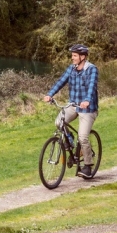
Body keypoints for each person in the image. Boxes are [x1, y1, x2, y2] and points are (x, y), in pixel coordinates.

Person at [43, 44, 99, 178]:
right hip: (73, 105)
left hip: (88, 108)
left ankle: (87, 166)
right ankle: (70, 142)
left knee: (83, 137)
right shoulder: (71, 69)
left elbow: (91, 87)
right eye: (72, 55)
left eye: (74, 56)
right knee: (58, 122)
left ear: (82, 57)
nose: (72, 58)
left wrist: (86, 100)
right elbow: (60, 82)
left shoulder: (92, 70)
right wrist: (50, 94)